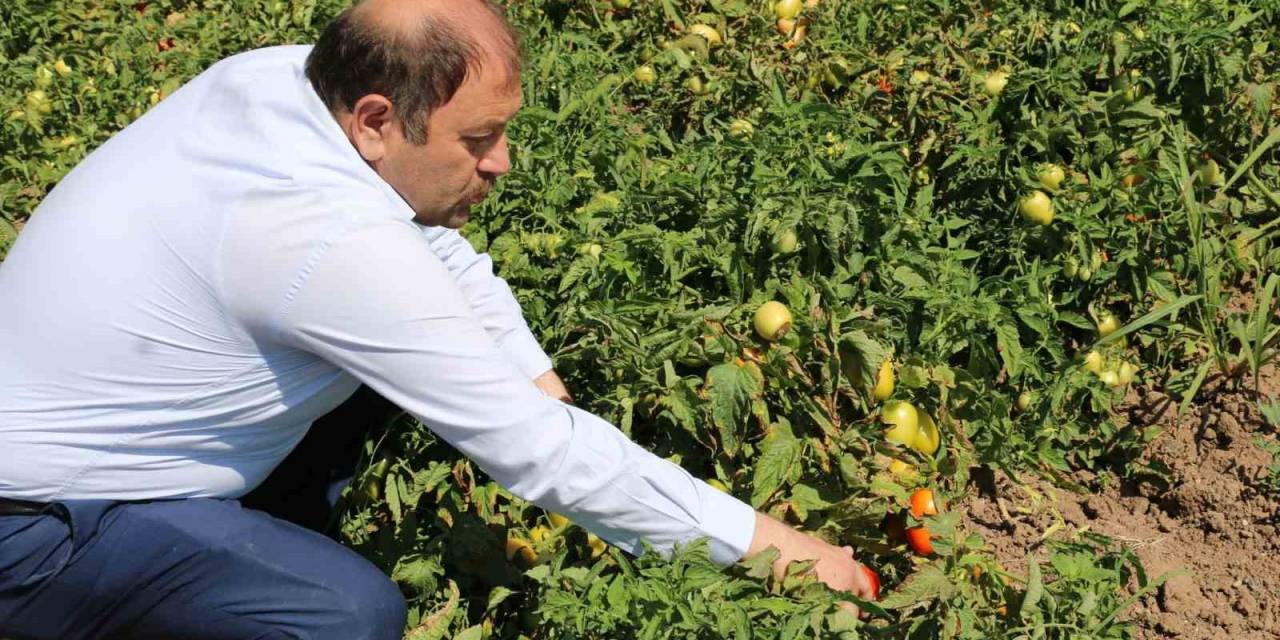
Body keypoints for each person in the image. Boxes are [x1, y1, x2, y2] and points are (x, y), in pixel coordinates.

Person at [0, 0, 876, 637]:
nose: (501, 162)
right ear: (379, 118)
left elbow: (425, 246)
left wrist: (529, 368)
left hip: (72, 427)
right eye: (475, 140)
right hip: (42, 525)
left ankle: (270, 525)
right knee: (343, 614)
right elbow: (545, 455)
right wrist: (781, 549)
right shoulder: (323, 239)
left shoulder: (280, 80)